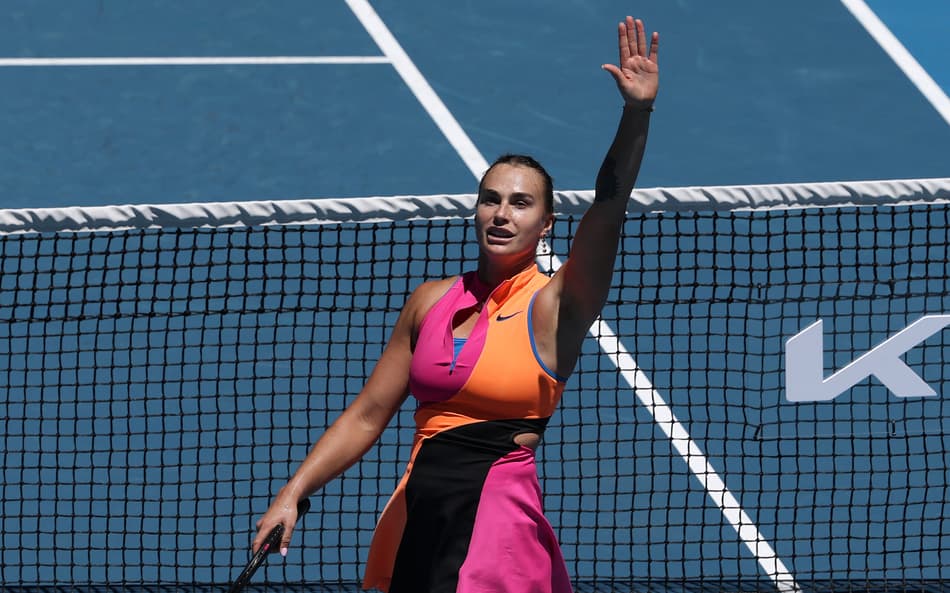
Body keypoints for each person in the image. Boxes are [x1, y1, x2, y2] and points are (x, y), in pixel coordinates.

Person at [252, 16, 659, 593]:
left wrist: (636, 113)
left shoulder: (556, 304)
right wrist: (292, 494)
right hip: (416, 511)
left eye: (520, 204)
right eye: (490, 199)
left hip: (496, 522)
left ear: (546, 224)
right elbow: (369, 413)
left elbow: (609, 208)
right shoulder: (430, 300)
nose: (501, 213)